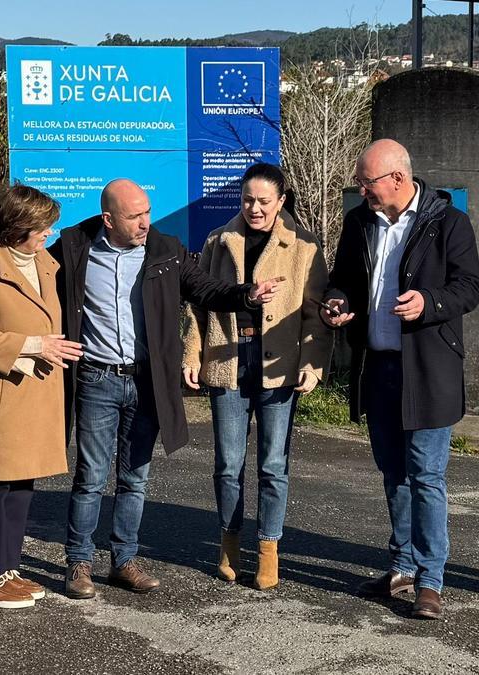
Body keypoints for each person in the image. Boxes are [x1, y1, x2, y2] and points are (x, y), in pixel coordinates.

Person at [49, 179, 284, 599]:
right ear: (108, 219)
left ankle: (123, 561)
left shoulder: (165, 250)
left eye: (147, 212)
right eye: (134, 216)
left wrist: (246, 294)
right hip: (96, 378)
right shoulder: (73, 246)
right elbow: (35, 286)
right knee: (90, 477)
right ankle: (78, 563)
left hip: (146, 380)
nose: (145, 222)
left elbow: (206, 289)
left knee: (135, 478)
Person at [321, 139, 479, 620]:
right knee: (393, 473)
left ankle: (430, 581)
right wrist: (337, 302)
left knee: (427, 476)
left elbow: (468, 288)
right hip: (379, 366)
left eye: (366, 182)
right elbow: (343, 277)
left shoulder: (448, 223)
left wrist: (428, 303)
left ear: (396, 178)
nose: (361, 190)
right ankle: (403, 566)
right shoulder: (359, 223)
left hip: (429, 370)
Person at [181, 163, 332, 590]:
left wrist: (312, 363)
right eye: (248, 199)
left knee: (273, 464)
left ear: (281, 201)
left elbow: (315, 315)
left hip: (278, 367)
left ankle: (268, 548)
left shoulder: (304, 245)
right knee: (228, 464)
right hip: (228, 362)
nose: (255, 208)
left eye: (265, 201)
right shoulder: (218, 240)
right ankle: (229, 542)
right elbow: (197, 303)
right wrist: (191, 352)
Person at [0, 184, 83, 608]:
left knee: (21, 482)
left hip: (31, 395)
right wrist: (37, 346)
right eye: (42, 226)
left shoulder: (41, 260)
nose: (49, 232)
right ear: (17, 227)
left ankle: (6, 568)